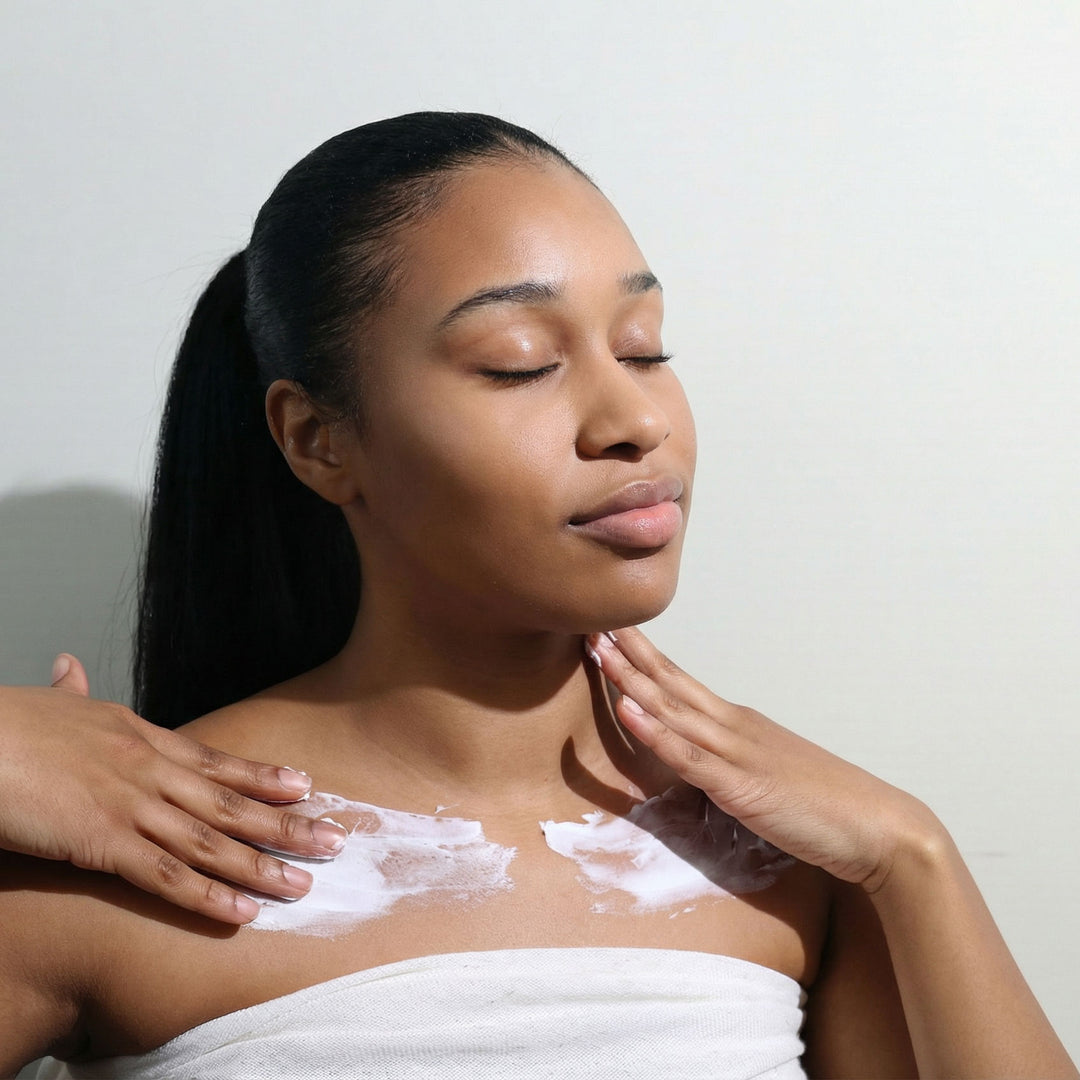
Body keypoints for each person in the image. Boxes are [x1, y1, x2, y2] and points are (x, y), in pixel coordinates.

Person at [0, 112, 1074, 1079]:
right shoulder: (146, 855)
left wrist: (913, 855)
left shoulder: (796, 858)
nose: (636, 422)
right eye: (518, 363)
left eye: (644, 349)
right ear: (319, 440)